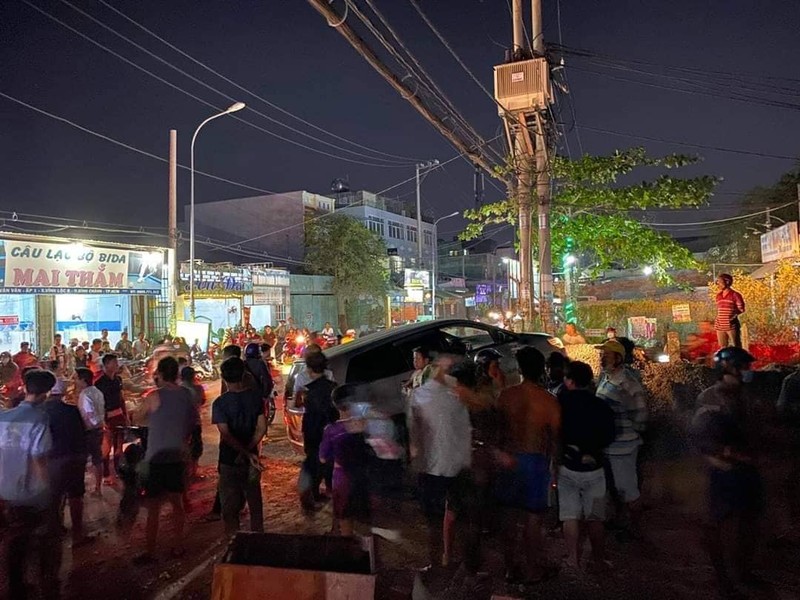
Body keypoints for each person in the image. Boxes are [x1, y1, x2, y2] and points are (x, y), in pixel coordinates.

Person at [691, 347, 764, 598]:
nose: (747, 372)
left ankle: (743, 571)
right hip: (724, 470)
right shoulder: (711, 399)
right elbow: (702, 437)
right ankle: (722, 577)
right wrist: (726, 454)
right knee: (721, 525)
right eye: (743, 367)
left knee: (749, 522)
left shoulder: (744, 395)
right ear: (727, 369)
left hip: (747, 468)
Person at [495, 346, 561, 583]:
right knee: (534, 520)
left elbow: (498, 432)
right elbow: (555, 439)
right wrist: (555, 469)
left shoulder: (506, 396)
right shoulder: (549, 401)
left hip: (510, 459)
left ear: (520, 369)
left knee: (509, 518)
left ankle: (511, 568)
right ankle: (533, 569)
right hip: (536, 462)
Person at [0, 369, 60, 599]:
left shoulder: (3, 416)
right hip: (30, 493)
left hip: (4, 489)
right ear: (46, 394)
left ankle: (15, 586)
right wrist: (48, 492)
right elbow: (39, 459)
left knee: (12, 543)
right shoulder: (40, 419)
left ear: (25, 388)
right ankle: (35, 587)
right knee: (35, 542)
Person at [410, 346, 472, 569]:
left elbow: (415, 437)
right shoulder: (460, 393)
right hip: (457, 464)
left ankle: (440, 561)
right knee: (457, 514)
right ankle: (457, 561)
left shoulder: (420, 396)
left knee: (437, 519)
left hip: (434, 467)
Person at [135, 356, 198, 563]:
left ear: (160, 374)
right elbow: (191, 422)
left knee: (153, 507)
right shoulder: (187, 395)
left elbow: (137, 418)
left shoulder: (154, 396)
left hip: (157, 456)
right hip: (178, 455)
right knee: (177, 503)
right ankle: (178, 546)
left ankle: (150, 551)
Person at [557, 361, 616, 571]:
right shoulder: (600, 405)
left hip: (567, 468)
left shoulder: (560, 404)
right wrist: (591, 452)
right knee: (595, 518)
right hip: (595, 469)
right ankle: (598, 560)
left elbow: (555, 434)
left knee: (570, 516)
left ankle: (573, 559)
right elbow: (610, 435)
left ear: (570, 381)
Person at [449, 359, 503, 581]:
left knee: (468, 517)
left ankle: (470, 565)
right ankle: (469, 563)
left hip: (471, 466)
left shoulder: (470, 404)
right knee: (468, 517)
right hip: (471, 465)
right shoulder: (480, 403)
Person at [594, 339, 648, 540]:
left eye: (606, 354)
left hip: (623, 447)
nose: (602, 357)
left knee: (628, 489)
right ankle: (621, 521)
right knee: (618, 488)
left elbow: (640, 413)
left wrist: (630, 433)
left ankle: (635, 529)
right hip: (612, 445)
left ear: (618, 357)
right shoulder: (608, 379)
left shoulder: (627, 383)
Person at [212, 357, 266, 536]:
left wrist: (241, 452)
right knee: (255, 502)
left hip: (228, 459)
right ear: (244, 375)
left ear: (224, 378)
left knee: (229, 508)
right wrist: (249, 451)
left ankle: (233, 544)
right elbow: (261, 428)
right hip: (251, 460)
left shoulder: (220, 403)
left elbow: (225, 434)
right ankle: (258, 540)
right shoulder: (256, 398)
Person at [45, 370, 92, 547]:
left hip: (53, 459)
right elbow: (82, 433)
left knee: (54, 497)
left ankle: (54, 532)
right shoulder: (72, 411)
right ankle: (78, 535)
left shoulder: (42, 411)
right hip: (74, 457)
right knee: (75, 496)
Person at [319, 384, 370, 536]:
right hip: (363, 476)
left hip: (342, 479)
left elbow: (322, 458)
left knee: (345, 518)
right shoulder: (365, 425)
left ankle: (348, 549)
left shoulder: (331, 430)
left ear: (335, 405)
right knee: (363, 518)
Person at [300, 351, 339, 510]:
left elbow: (309, 417)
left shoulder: (309, 392)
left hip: (314, 433)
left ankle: (312, 496)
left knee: (313, 464)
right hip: (330, 432)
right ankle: (328, 493)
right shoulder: (333, 388)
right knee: (329, 464)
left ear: (309, 370)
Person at [95, 353, 128, 481]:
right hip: (107, 417)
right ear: (106, 365)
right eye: (114, 362)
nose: (116, 365)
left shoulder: (118, 380)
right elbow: (99, 403)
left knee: (119, 445)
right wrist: (102, 419)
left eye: (116, 362)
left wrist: (125, 415)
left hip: (118, 415)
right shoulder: (99, 383)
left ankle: (117, 470)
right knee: (106, 446)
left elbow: (121, 398)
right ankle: (106, 473)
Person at [75, 367, 105, 496]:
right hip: (98, 429)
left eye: (76, 378)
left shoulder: (85, 395)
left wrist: (87, 427)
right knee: (97, 459)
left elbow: (89, 415)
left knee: (82, 461)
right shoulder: (97, 391)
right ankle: (98, 488)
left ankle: (80, 489)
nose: (74, 381)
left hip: (89, 431)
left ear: (83, 380)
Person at [180, 366, 206, 479]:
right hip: (195, 422)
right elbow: (202, 400)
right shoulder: (199, 388)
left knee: (185, 447)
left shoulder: (178, 389)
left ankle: (186, 472)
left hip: (181, 423)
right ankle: (193, 472)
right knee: (196, 448)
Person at [714, 274, 746, 349]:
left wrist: (732, 317)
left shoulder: (735, 295)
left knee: (736, 345)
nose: (717, 284)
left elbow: (741, 309)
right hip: (719, 325)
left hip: (731, 325)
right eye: (717, 282)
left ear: (727, 282)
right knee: (722, 347)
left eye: (719, 282)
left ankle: (739, 360)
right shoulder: (718, 296)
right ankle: (725, 360)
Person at [244, 342, 274, 417]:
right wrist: (265, 395)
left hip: (245, 396)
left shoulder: (242, 363)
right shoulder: (260, 364)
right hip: (257, 396)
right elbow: (267, 381)